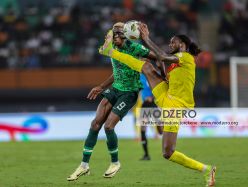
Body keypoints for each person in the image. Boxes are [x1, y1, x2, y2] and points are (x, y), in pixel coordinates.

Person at [99, 23, 216, 186]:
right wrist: (162, 73)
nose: (170, 44)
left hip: (176, 106)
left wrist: (146, 38)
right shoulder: (176, 63)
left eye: (173, 42)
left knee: (167, 152)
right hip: (167, 95)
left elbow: (161, 56)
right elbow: (162, 64)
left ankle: (207, 169)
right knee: (146, 66)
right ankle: (110, 51)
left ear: (182, 45)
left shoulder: (186, 57)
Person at [67, 22, 156, 181]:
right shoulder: (113, 48)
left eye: (118, 33)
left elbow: (158, 57)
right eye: (113, 33)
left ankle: (115, 163)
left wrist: (170, 67)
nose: (114, 36)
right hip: (115, 89)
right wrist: (101, 86)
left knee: (109, 126)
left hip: (129, 93)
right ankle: (84, 165)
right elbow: (118, 72)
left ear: (126, 34)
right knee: (95, 124)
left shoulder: (135, 48)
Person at [139, 73, 163, 160]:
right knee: (142, 129)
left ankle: (169, 146)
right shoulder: (139, 75)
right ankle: (146, 155)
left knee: (160, 130)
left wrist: (152, 97)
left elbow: (159, 88)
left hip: (153, 103)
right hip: (145, 104)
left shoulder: (151, 75)